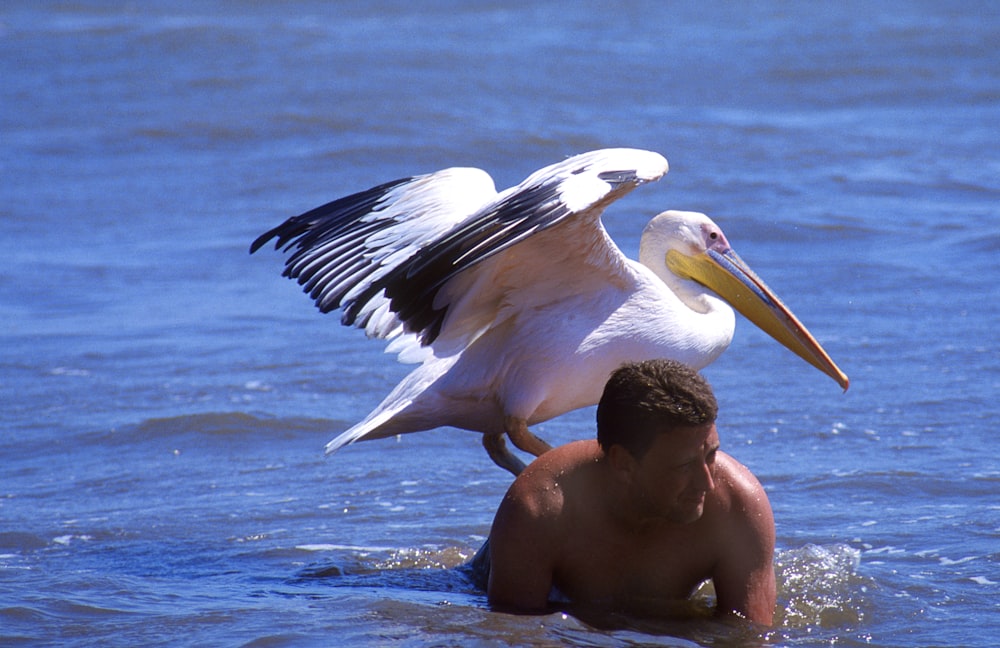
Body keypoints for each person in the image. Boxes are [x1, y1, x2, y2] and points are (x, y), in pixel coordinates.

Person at [481, 358, 776, 626]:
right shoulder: (539, 509)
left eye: (711, 455)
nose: (707, 483)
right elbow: (516, 633)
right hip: (495, 575)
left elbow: (748, 636)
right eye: (684, 465)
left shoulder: (738, 506)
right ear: (624, 463)